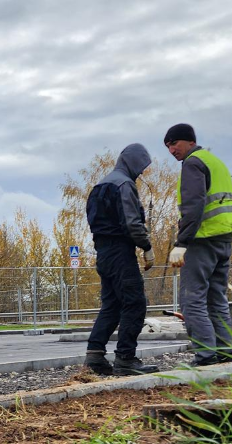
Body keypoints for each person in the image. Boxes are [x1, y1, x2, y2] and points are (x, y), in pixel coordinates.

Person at [165, 124, 232, 366]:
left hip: (203, 239)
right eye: (168, 146)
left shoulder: (192, 163)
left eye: (174, 144)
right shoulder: (214, 161)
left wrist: (181, 243)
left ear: (189, 141)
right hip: (224, 237)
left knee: (193, 300)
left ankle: (205, 355)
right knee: (216, 298)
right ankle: (225, 350)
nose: (171, 150)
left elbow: (194, 206)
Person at [84, 143, 159, 376]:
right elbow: (131, 223)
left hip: (103, 253)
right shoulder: (124, 184)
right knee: (135, 303)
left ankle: (94, 356)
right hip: (120, 252)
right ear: (133, 162)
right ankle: (126, 358)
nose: (142, 172)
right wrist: (146, 246)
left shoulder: (100, 184)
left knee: (112, 305)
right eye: (142, 166)